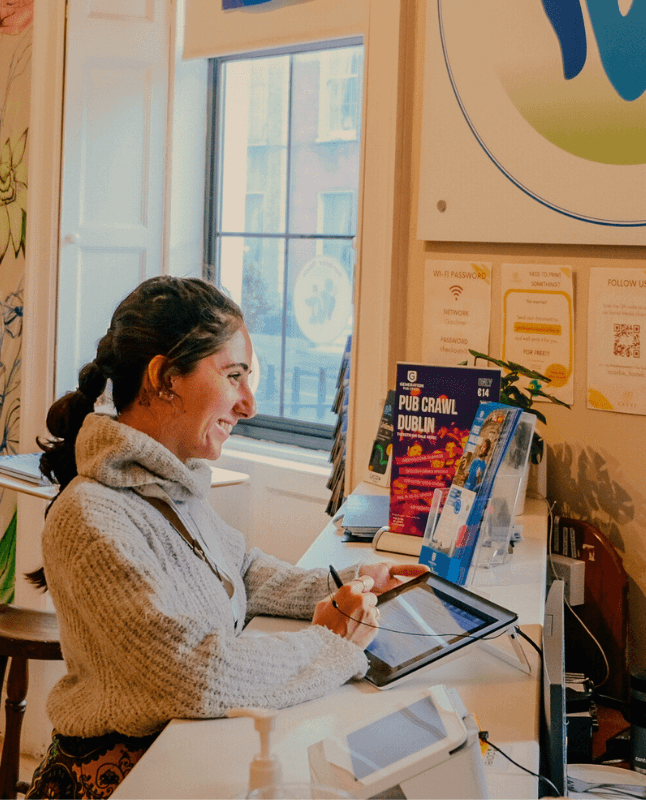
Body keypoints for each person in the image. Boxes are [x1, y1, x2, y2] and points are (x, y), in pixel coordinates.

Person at [24, 276, 424, 799]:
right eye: (234, 376)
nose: (249, 403)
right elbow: (190, 673)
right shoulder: (91, 515)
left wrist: (356, 579)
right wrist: (330, 642)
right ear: (165, 377)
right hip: (126, 781)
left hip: (182, 755)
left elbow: (238, 570)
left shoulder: (168, 483)